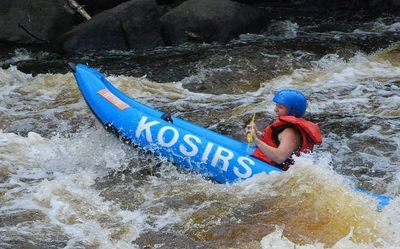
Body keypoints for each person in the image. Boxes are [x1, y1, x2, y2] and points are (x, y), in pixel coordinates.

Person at [245, 89, 322, 170]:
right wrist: (256, 134)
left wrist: (256, 140)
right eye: (276, 105)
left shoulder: (290, 132)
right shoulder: (284, 126)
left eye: (280, 107)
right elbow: (273, 142)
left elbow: (279, 157)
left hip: (275, 171)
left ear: (292, 111)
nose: (275, 110)